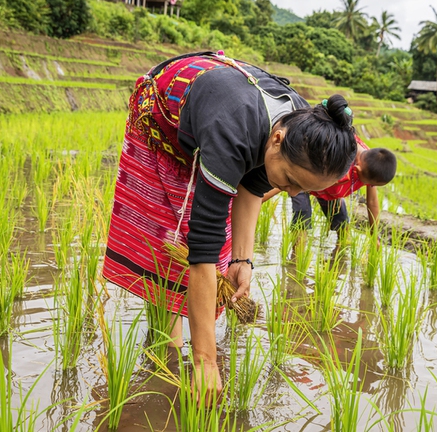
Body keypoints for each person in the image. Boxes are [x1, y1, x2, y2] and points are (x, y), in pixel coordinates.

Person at [103, 51, 357, 404]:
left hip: (227, 122)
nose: (293, 193)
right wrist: (206, 361)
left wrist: (242, 260)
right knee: (171, 244)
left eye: (304, 189)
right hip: (164, 118)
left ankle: (173, 346)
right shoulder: (232, 130)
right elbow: (202, 250)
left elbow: (253, 183)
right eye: (291, 180)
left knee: (219, 254)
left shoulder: (304, 122)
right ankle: (167, 350)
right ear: (278, 139)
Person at [288, 134, 396, 238]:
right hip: (304, 180)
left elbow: (372, 201)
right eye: (371, 184)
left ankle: (341, 253)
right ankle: (296, 255)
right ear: (358, 170)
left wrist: (374, 234)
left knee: (342, 226)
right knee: (302, 218)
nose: (371, 186)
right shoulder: (341, 158)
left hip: (331, 190)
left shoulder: (370, 164)